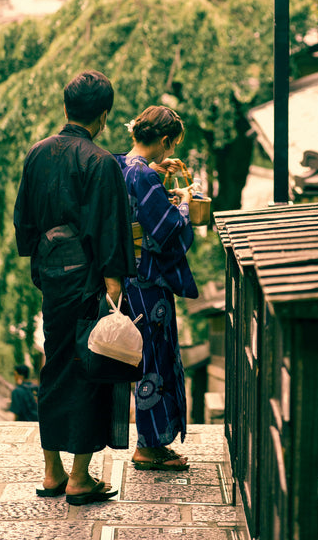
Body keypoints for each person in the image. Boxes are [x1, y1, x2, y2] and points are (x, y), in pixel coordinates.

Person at [14, 70, 136, 505]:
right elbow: (109, 230)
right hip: (88, 281)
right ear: (103, 115)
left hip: (51, 273)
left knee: (55, 365)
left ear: (66, 108)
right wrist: (114, 287)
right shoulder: (101, 162)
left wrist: (42, 266)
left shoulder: (37, 153)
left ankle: (53, 472)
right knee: (89, 367)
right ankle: (80, 478)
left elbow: (24, 221)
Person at [115, 105, 198, 471]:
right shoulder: (144, 175)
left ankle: (152, 442)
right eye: (171, 144)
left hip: (128, 277)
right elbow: (166, 231)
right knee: (155, 361)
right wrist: (185, 203)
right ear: (164, 140)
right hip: (148, 281)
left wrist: (157, 176)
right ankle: (149, 445)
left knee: (147, 357)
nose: (171, 151)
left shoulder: (121, 165)